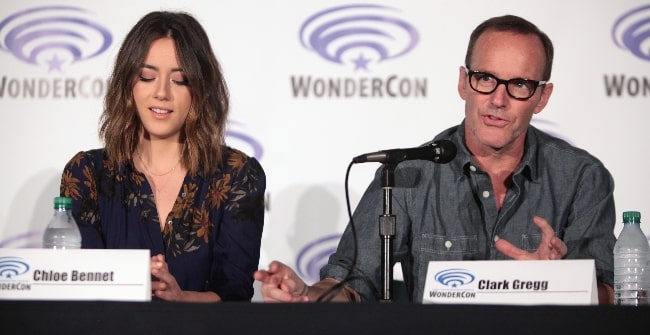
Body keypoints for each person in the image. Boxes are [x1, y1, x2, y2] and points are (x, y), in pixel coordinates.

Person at [255, 14, 616, 304]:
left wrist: (560, 285)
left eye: (519, 84)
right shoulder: (408, 174)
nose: (498, 99)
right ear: (463, 82)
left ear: (542, 97)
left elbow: (612, 294)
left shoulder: (582, 177)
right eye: (485, 78)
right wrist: (306, 295)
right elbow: (352, 284)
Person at [59, 11, 266, 302]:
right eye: (147, 76)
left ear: (201, 90)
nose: (161, 92)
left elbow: (233, 293)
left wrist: (181, 299)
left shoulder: (237, 175)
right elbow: (80, 284)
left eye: (179, 80)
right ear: (128, 85)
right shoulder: (87, 174)